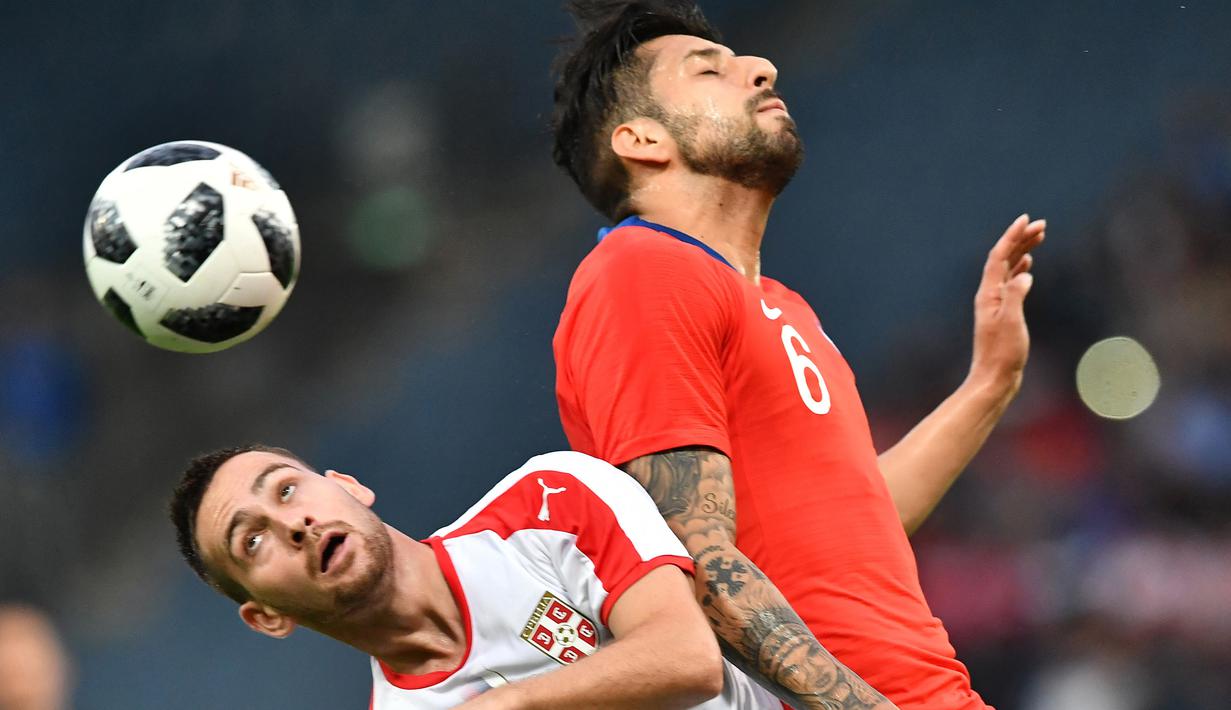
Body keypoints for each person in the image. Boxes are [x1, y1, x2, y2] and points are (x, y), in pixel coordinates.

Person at [550, 1, 1046, 708]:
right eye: (709, 70)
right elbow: (692, 557)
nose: (762, 68)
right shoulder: (641, 270)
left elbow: (856, 523)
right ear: (642, 140)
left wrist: (989, 383)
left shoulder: (783, 305)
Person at [169, 444, 784, 709]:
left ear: (348, 487)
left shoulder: (549, 499)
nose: (293, 524)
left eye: (286, 488)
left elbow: (688, 660)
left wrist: (508, 704)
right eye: (252, 541)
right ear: (266, 617)